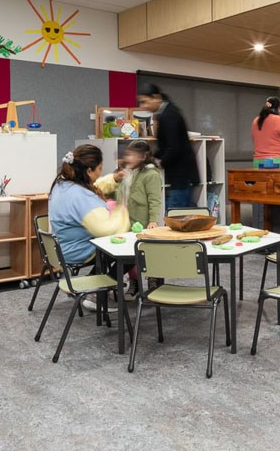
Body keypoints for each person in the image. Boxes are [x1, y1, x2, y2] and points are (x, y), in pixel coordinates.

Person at [48, 145, 130, 309]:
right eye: (100, 168)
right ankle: (94, 292)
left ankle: (95, 286)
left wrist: (113, 178)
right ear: (89, 171)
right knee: (130, 253)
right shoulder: (81, 196)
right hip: (77, 249)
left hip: (61, 246)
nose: (101, 172)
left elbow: (94, 186)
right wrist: (122, 212)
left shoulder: (62, 185)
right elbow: (105, 229)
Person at [137, 82, 197, 210]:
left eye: (145, 102)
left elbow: (174, 147)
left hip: (181, 174)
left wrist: (160, 162)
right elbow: (166, 145)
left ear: (156, 97)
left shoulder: (169, 115)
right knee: (181, 213)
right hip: (180, 174)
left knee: (175, 215)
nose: (143, 107)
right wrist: (152, 157)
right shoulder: (165, 113)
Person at [251, 96, 280, 167]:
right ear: (277, 108)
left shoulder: (255, 120)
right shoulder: (277, 120)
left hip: (257, 162)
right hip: (275, 162)